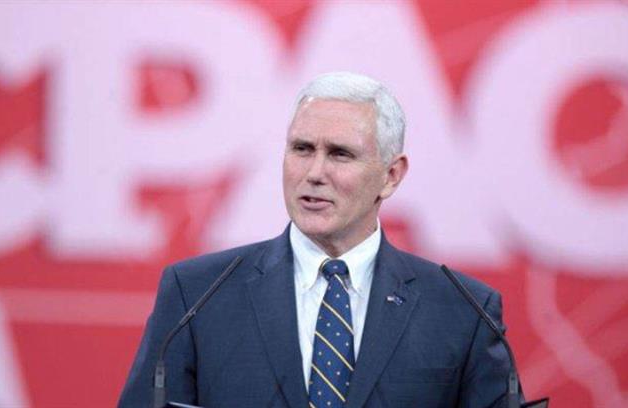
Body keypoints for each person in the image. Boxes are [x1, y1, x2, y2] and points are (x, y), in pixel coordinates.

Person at [118, 72, 518, 407]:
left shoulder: (463, 311)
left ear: (391, 176)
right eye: (302, 149)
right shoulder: (198, 295)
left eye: (340, 154)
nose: (314, 173)